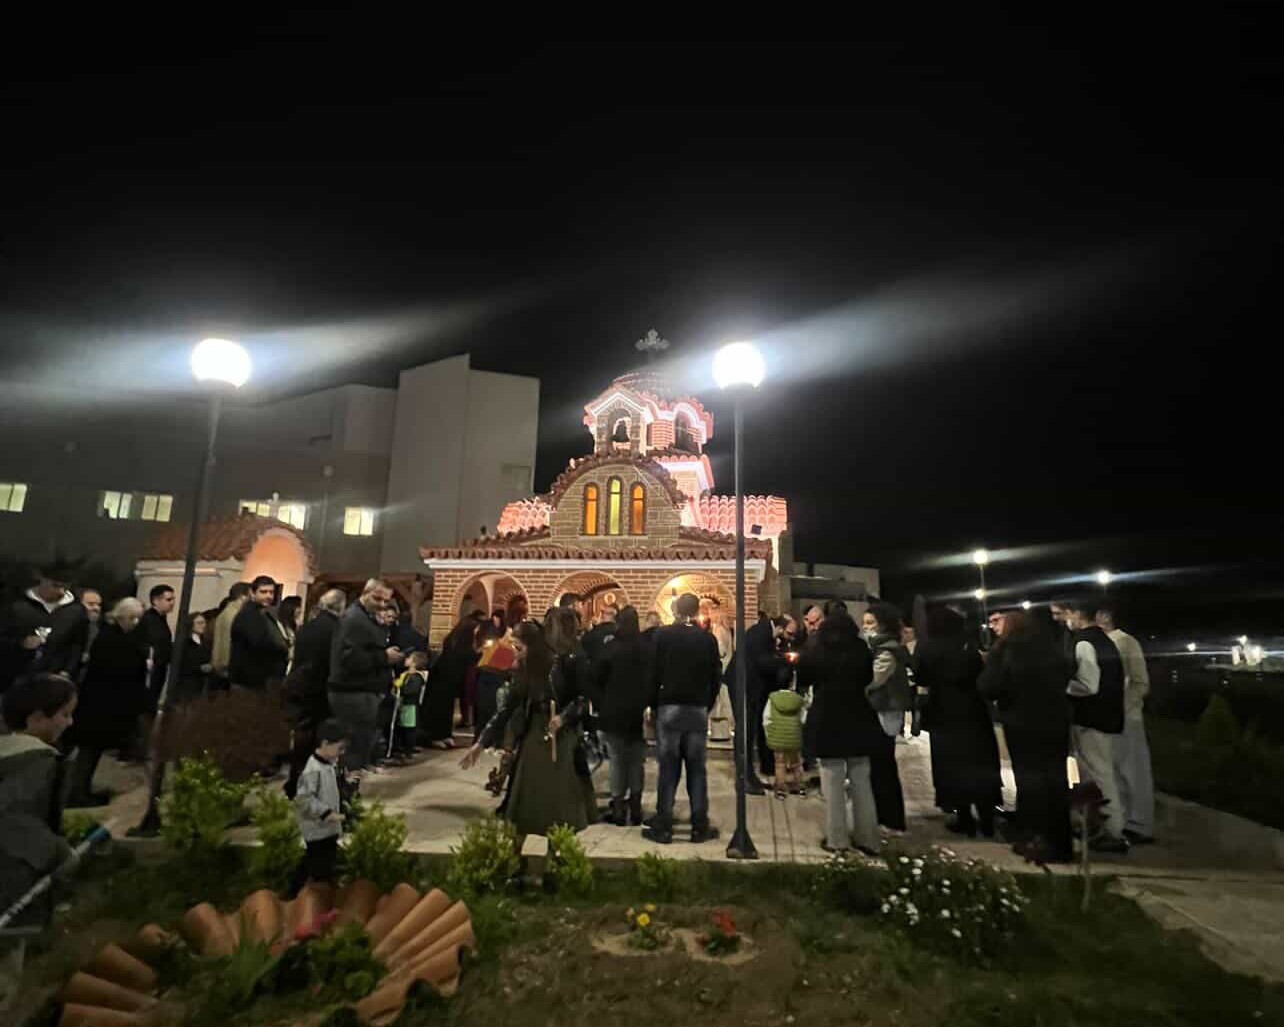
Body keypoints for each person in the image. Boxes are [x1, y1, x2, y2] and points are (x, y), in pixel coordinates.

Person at [460, 620, 597, 838]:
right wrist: (481, 743)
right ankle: (517, 850)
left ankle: (557, 849)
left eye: (519, 647)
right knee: (524, 796)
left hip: (560, 735)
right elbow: (506, 709)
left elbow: (582, 698)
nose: (515, 652)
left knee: (558, 799)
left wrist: (564, 717)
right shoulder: (523, 671)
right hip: (533, 731)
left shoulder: (558, 665)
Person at [978, 607, 1074, 862]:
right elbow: (1068, 673)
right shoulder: (1052, 649)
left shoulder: (1006, 650)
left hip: (1021, 722)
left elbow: (989, 686)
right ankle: (1061, 843)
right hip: (1055, 722)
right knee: (1056, 780)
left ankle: (1034, 837)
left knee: (1029, 781)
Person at [0, 674, 80, 932]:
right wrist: (60, 853)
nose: (70, 722)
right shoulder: (35, 764)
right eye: (65, 714)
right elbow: (16, 820)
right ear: (36, 718)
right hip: (15, 886)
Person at [642, 593, 722, 844]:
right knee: (697, 768)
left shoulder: (662, 635)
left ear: (676, 610)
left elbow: (652, 672)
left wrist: (653, 704)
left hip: (670, 706)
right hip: (697, 707)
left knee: (668, 767)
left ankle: (664, 825)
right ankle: (699, 825)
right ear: (697, 611)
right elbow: (715, 676)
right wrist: (707, 703)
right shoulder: (707, 639)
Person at [917, 605, 1001, 837]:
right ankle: (987, 818)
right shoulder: (968, 644)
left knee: (951, 765)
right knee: (980, 762)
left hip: (943, 711)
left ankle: (963, 817)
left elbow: (921, 676)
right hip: (974, 709)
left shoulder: (928, 647)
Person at [800, 614, 880, 853]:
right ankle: (868, 838)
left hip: (827, 717)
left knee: (832, 783)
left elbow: (804, 676)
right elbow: (868, 678)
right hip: (859, 716)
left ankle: (837, 839)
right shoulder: (861, 649)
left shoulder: (817, 649)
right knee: (862, 782)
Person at [64, 598, 148, 807]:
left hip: (102, 701)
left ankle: (80, 789)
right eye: (133, 618)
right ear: (124, 617)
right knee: (89, 749)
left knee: (92, 749)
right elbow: (118, 669)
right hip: (100, 703)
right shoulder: (111, 638)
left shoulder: (115, 636)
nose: (136, 623)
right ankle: (77, 792)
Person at [1063, 599, 1129, 852]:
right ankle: (1104, 826)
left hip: (1091, 719)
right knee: (1102, 773)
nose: (1066, 620)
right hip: (1107, 717)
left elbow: (1089, 685)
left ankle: (1111, 830)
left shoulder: (1084, 643)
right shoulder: (1105, 641)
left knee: (1098, 775)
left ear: (1077, 614)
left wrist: (1062, 687)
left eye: (1067, 614)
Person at [328, 580, 402, 772]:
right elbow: (348, 658)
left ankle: (349, 784)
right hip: (352, 692)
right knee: (351, 752)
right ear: (365, 593)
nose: (382, 604)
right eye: (377, 599)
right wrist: (384, 657)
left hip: (364, 691)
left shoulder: (367, 618)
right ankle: (343, 787)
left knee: (360, 749)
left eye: (385, 601)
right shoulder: (354, 619)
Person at [1096, 608, 1155, 844]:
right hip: (1104, 719)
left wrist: (1122, 706)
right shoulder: (1098, 643)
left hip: (1127, 718)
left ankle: (1140, 824)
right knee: (1112, 772)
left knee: (1133, 771)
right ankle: (1118, 821)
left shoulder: (1126, 642)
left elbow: (1140, 682)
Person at [284, 588, 346, 797]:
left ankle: (295, 781)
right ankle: (315, 786)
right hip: (321, 688)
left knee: (302, 737)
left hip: (300, 685)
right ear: (341, 607)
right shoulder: (337, 629)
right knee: (321, 740)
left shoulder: (307, 627)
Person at [592, 605, 650, 826]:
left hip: (613, 709)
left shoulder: (611, 647)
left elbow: (597, 676)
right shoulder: (644, 647)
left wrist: (601, 702)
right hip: (636, 711)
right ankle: (635, 808)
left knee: (617, 760)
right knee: (636, 760)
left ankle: (617, 808)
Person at [860, 603, 911, 833]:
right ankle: (883, 816)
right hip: (879, 711)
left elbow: (873, 679)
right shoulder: (877, 648)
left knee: (883, 767)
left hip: (885, 713)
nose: (866, 627)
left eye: (871, 623)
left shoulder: (887, 650)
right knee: (878, 767)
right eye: (864, 623)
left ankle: (891, 819)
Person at [1, 569, 89, 691]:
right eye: (56, 586)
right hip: (15, 676)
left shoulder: (76, 611)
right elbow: (3, 637)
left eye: (65, 587)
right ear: (42, 579)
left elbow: (77, 645)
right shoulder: (17, 605)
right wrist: (21, 642)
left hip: (54, 680)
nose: (61, 591)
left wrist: (67, 671)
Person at [289, 718, 348, 895]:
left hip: (327, 828)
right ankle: (301, 892)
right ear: (325, 744)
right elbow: (304, 799)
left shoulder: (328, 765)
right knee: (316, 862)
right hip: (317, 828)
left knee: (324, 860)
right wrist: (326, 813)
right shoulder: (313, 770)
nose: (342, 753)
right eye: (339, 748)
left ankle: (318, 888)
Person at [736, 613, 793, 790]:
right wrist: (785, 659)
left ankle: (749, 775)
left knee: (750, 729)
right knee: (746, 731)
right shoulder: (761, 633)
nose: (789, 638)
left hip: (751, 685)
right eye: (789, 634)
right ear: (780, 628)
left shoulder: (765, 631)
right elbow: (762, 661)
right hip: (744, 684)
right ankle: (744, 777)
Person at [230, 577, 290, 691]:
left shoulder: (264, 614)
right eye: (263, 592)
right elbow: (260, 644)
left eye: (271, 592)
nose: (268, 596)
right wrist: (282, 650)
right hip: (250, 681)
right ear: (252, 593)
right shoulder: (249, 615)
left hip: (259, 679)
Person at [426, 616, 478, 748]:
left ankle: (445, 734)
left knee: (447, 708)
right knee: (439, 708)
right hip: (443, 678)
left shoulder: (456, 640)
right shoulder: (459, 643)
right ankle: (435, 736)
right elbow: (469, 657)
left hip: (450, 679)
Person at [763, 675, 807, 799]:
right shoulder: (799, 700)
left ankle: (781, 790)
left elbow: (766, 717)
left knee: (780, 764)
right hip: (794, 737)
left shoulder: (772, 698)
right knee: (796, 763)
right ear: (792, 683)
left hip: (777, 737)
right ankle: (800, 787)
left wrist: (769, 734)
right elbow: (803, 719)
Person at [138, 584, 175, 706]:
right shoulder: (149, 619)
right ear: (155, 601)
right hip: (151, 669)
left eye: (173, 599)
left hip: (158, 667)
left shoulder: (160, 618)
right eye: (168, 599)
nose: (172, 603)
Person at [210, 583, 251, 689]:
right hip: (230, 666)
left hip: (221, 666)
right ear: (243, 596)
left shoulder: (225, 613)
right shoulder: (236, 615)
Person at [391, 652, 428, 758]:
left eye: (409, 658)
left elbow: (411, 690)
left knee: (409, 729)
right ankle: (402, 747)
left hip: (411, 706)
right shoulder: (406, 674)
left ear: (414, 663)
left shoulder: (417, 677)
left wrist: (400, 688)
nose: (406, 659)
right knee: (403, 727)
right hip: (404, 705)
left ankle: (408, 750)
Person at [174, 611, 213, 704]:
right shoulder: (185, 642)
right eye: (200, 623)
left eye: (204, 622)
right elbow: (182, 663)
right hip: (187, 683)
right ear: (191, 625)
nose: (203, 625)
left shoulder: (205, 642)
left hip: (201, 682)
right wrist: (199, 668)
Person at [76, 588, 103, 684]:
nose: (96, 608)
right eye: (91, 604)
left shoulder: (100, 627)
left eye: (98, 605)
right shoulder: (71, 625)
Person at [581, 603, 619, 668]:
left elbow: (584, 642)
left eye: (607, 613)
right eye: (603, 612)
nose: (603, 615)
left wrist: (590, 629)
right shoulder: (619, 630)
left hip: (596, 666)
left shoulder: (599, 629)